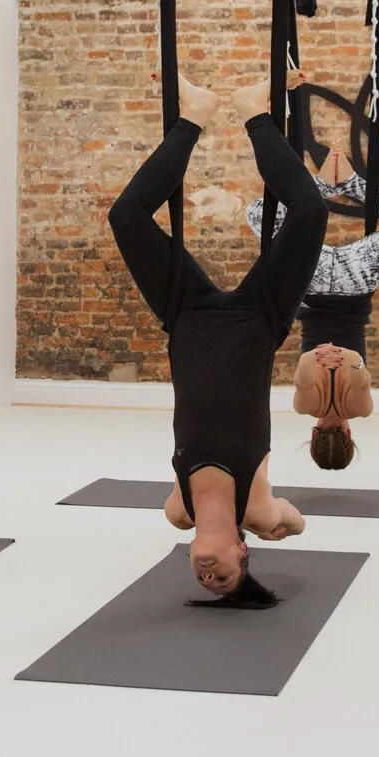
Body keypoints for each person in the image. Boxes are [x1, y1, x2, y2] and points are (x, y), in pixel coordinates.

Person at [110, 72, 324, 598]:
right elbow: (296, 522)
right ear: (243, 551)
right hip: (259, 318)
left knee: (127, 217)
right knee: (311, 211)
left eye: (203, 580)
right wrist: (279, 528)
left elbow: (193, 526)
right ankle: (255, 112)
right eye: (224, 575)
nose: (209, 573)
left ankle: (196, 114)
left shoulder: (177, 510)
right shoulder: (257, 507)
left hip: (186, 316)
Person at [245, 145, 379, 468]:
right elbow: (304, 369)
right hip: (311, 279)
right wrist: (330, 357)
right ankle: (323, 186)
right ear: (314, 438)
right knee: (256, 215)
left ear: (350, 437)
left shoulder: (359, 409)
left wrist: (347, 358)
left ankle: (346, 185)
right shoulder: (307, 407)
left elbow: (359, 372)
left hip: (354, 280)